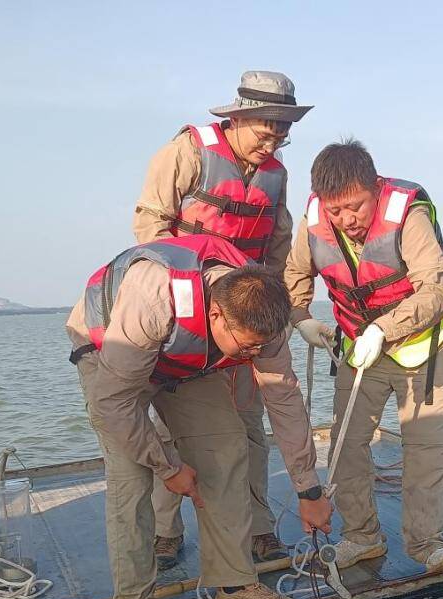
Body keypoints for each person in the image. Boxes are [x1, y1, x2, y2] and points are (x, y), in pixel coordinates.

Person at [67, 234, 333, 599]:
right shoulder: (152, 299)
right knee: (132, 477)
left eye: (261, 347)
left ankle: (234, 585)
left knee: (227, 448)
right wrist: (169, 468)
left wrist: (308, 488)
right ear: (214, 315)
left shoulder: (264, 322)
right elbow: (113, 406)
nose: (254, 355)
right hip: (111, 354)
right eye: (248, 347)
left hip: (187, 360)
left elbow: (284, 398)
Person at [132, 70, 312, 570]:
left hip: (246, 319)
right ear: (238, 116)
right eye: (266, 128)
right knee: (171, 428)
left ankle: (258, 527)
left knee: (251, 426)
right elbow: (150, 232)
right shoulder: (185, 152)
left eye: (283, 130)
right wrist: (186, 303)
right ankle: (167, 532)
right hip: (188, 315)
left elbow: (276, 250)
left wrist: (278, 313)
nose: (274, 138)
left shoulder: (276, 175)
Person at [284, 140, 443, 573]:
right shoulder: (315, 220)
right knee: (345, 447)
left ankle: (429, 546)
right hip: (358, 352)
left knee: (427, 449)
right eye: (336, 211)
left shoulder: (409, 214)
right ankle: (361, 537)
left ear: (375, 187)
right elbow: (294, 274)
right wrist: (300, 317)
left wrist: (383, 329)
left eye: (356, 207)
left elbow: (436, 290)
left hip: (426, 349)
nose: (347, 220)